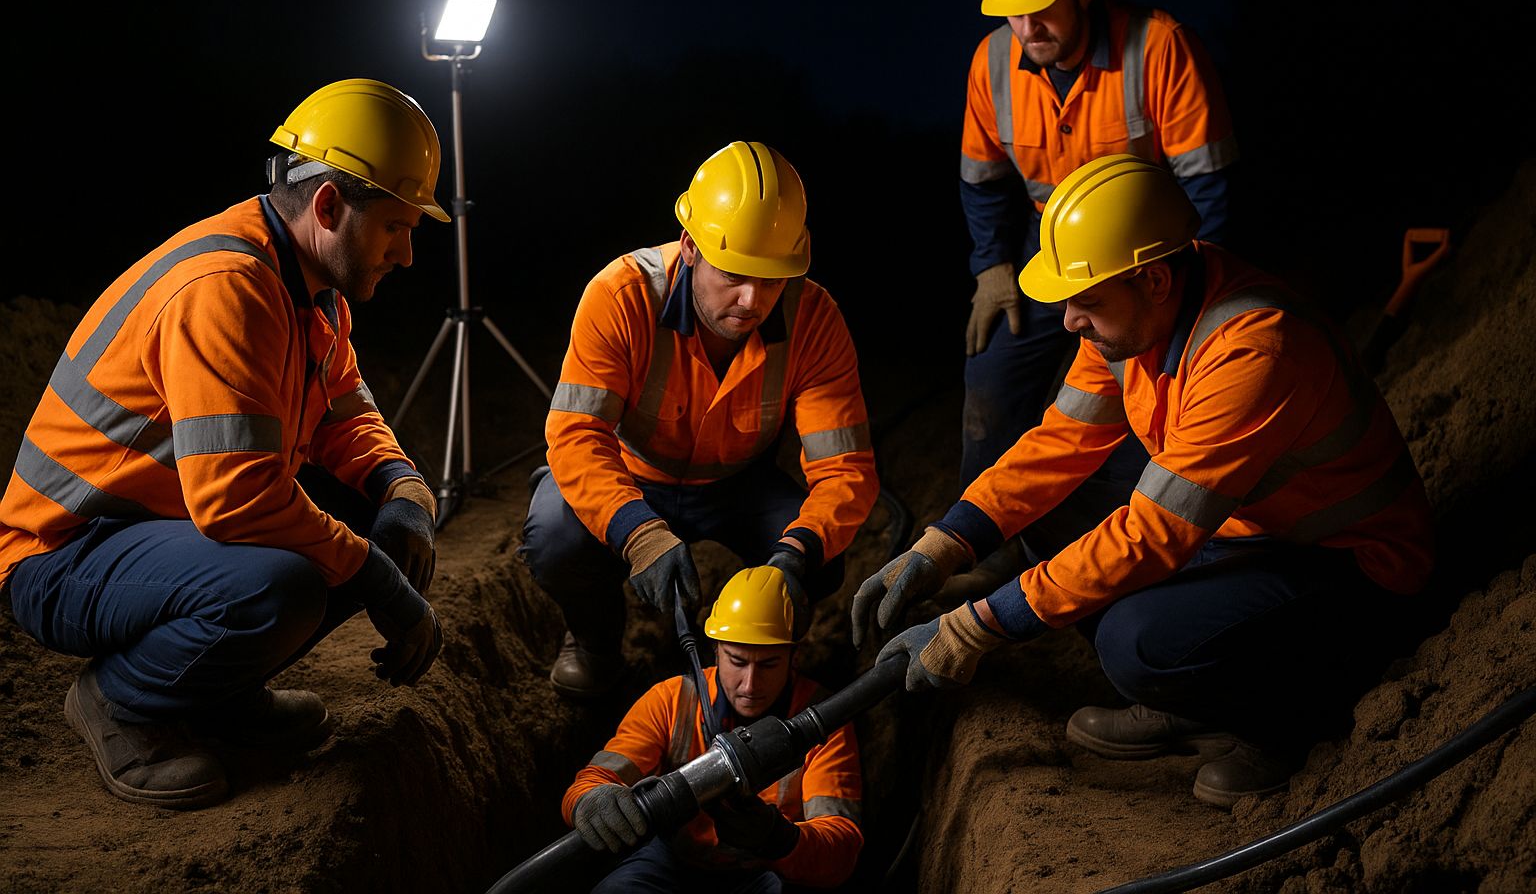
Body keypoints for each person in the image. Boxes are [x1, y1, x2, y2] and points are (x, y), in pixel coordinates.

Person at [853, 154, 1434, 808]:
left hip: (1352, 568)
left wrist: (978, 626)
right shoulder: (1129, 314)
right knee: (1053, 524)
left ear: (1153, 280)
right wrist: (947, 542)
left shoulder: (1254, 347)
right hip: (1252, 532)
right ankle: (1191, 697)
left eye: (1085, 301)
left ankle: (1289, 726)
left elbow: (1155, 532)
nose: (1070, 320)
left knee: (1136, 646)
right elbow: (1058, 445)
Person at [0, 79, 448, 810]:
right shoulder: (227, 288)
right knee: (289, 580)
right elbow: (236, 500)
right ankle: (122, 702)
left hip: (149, 534)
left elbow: (345, 412)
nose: (405, 255)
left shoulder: (312, 288)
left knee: (363, 536)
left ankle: (213, 694)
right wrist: (373, 574)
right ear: (330, 206)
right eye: (396, 228)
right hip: (60, 555)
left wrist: (404, 493)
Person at [521, 140, 879, 699]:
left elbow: (845, 469)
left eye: (772, 277)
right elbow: (576, 435)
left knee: (820, 564)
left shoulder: (815, 319)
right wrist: (637, 532)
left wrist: (795, 554)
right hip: (631, 475)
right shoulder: (620, 295)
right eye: (734, 273)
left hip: (739, 486)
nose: (751, 298)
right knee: (556, 539)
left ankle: (756, 671)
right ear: (690, 246)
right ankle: (594, 644)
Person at [958, 0, 1240, 502]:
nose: (1028, 27)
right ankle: (982, 548)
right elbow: (981, 181)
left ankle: (1128, 531)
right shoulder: (990, 67)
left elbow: (1210, 189)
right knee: (990, 377)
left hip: (1146, 257)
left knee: (1152, 398)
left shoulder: (1160, 47)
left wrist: (1193, 303)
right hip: (1051, 250)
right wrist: (991, 267)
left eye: (1042, 9)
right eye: (1013, 14)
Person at [565, 566, 863, 891]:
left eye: (768, 664)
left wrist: (778, 837)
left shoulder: (823, 722)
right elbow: (595, 780)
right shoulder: (671, 700)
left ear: (794, 656)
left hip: (764, 872)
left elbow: (842, 851)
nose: (750, 684)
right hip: (671, 861)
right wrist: (591, 800)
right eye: (737, 661)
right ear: (715, 651)